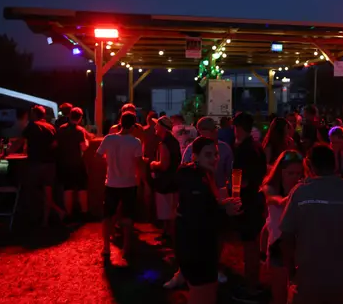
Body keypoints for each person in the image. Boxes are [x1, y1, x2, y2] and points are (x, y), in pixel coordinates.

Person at [281, 144, 343, 304]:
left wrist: (291, 272)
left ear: (309, 165)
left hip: (308, 278)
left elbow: (286, 236)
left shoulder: (300, 192)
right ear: (334, 164)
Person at [175, 137, 242, 304]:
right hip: (196, 248)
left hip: (203, 246)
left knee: (209, 292)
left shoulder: (205, 174)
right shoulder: (193, 178)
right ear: (195, 156)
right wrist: (225, 211)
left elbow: (205, 207)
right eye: (208, 155)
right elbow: (198, 217)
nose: (214, 158)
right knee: (201, 294)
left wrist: (222, 205)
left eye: (216, 154)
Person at [8, 105, 64, 227]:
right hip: (50, 164)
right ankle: (46, 221)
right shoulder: (51, 127)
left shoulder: (32, 126)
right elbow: (55, 144)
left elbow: (19, 142)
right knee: (47, 192)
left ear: (34, 114)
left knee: (33, 191)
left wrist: (7, 152)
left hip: (35, 163)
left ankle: (35, 218)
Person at [97, 112, 143, 258]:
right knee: (128, 215)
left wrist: (109, 160)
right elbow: (139, 163)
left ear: (120, 123)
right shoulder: (136, 142)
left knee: (107, 215)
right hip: (129, 182)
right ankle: (126, 247)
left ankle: (106, 247)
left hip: (111, 182)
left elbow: (98, 155)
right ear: (133, 126)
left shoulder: (109, 138)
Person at [231, 112, 267, 301]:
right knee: (253, 245)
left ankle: (250, 287)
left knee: (249, 247)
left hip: (247, 201)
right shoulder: (257, 147)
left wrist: (234, 194)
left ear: (238, 128)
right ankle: (254, 282)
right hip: (257, 198)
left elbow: (239, 178)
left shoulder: (243, 150)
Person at [261, 150, 304, 304]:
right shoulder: (270, 187)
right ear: (281, 172)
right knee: (279, 293)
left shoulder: (303, 189)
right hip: (278, 246)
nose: (295, 177)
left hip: (299, 247)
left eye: (298, 173)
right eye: (290, 173)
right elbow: (275, 200)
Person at [149, 116, 181, 244]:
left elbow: (164, 165)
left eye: (157, 125)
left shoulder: (164, 144)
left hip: (165, 181)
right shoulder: (174, 141)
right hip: (174, 179)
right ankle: (168, 234)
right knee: (171, 209)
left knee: (166, 211)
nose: (155, 127)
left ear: (162, 128)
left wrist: (153, 164)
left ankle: (170, 237)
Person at [56, 107, 90, 219]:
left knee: (68, 189)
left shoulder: (61, 129)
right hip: (77, 163)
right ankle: (84, 213)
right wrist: (87, 141)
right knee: (82, 188)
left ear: (70, 116)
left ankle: (68, 214)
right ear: (80, 118)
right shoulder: (80, 130)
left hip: (64, 163)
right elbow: (83, 147)